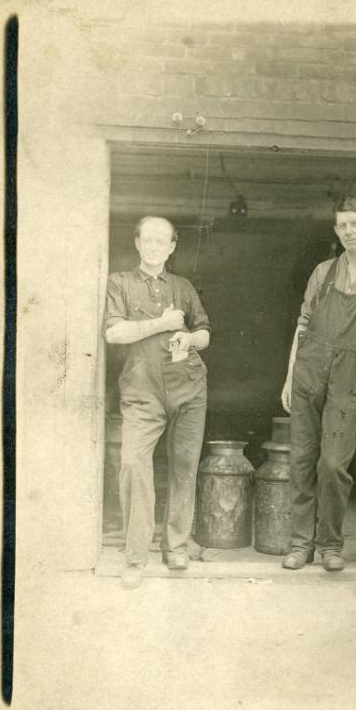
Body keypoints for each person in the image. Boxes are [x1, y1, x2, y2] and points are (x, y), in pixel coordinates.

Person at [281, 196, 356, 572]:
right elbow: (301, 327)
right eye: (342, 225)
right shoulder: (323, 272)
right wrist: (289, 378)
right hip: (309, 371)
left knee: (332, 464)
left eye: (354, 224)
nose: (348, 231)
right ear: (336, 230)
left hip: (350, 379)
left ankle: (330, 545)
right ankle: (300, 545)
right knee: (301, 460)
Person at [104, 216, 210, 589]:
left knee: (184, 467)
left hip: (188, 387)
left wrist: (190, 340)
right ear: (137, 244)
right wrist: (163, 325)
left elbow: (204, 332)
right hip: (141, 389)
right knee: (133, 463)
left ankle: (176, 545)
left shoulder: (182, 287)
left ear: (171, 247)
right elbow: (115, 332)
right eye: (146, 239)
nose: (153, 246)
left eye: (160, 241)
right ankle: (135, 556)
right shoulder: (120, 282)